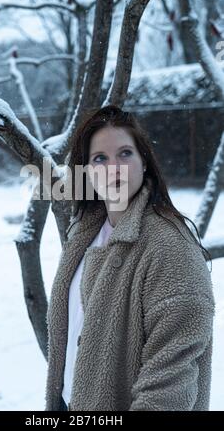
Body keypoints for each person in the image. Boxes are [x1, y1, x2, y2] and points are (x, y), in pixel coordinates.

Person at [44, 105, 215, 411]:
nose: (114, 168)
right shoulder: (85, 232)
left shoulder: (169, 247)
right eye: (100, 158)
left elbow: (169, 386)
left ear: (144, 162)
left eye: (125, 153)